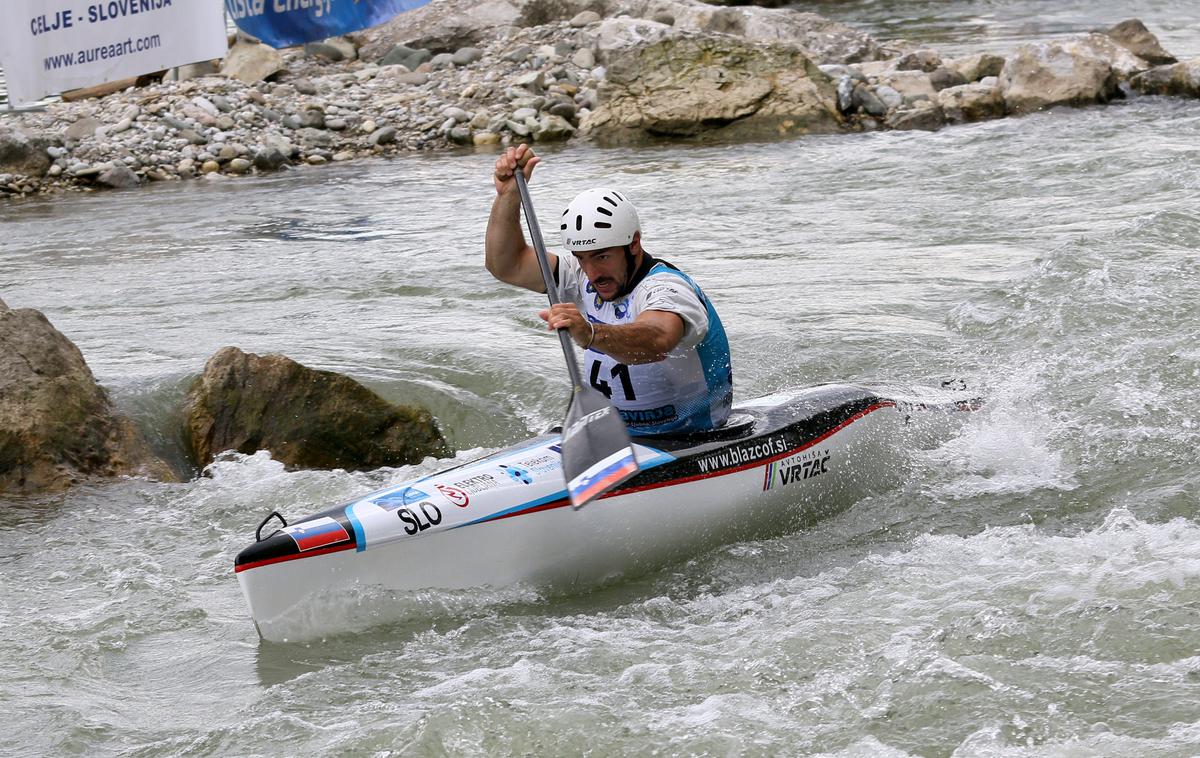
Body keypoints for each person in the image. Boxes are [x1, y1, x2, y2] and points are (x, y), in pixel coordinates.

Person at [485, 144, 733, 436]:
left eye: (602, 256)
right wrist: (508, 195)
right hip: (613, 434)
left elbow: (657, 340)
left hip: (689, 436)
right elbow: (506, 264)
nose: (592, 273)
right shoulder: (583, 274)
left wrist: (590, 333)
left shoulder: (667, 288)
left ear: (634, 244)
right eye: (582, 258)